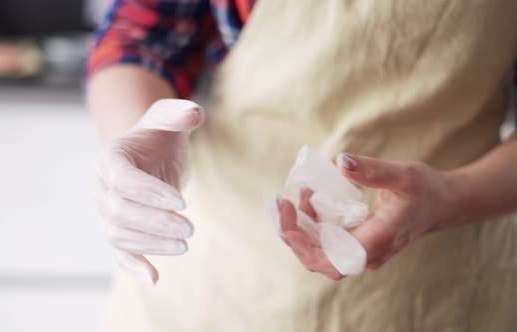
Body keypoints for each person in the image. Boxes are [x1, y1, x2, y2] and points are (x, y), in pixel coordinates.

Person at [87, 1, 517, 331]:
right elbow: (139, 36)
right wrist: (141, 134)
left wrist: (451, 196)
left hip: (441, 293)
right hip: (212, 285)